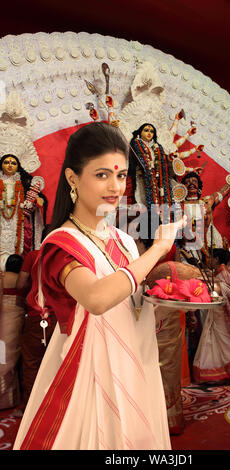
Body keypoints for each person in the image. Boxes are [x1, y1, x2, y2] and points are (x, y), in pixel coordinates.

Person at [13, 121, 186, 450]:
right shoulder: (61, 243)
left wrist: (167, 292)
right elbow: (96, 298)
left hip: (134, 361)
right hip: (89, 373)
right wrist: (160, 248)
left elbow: (131, 299)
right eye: (102, 174)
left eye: (120, 176)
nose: (115, 187)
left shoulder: (124, 241)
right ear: (73, 178)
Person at [13, 249, 57, 417]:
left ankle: (31, 407)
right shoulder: (63, 254)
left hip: (36, 315)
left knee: (31, 362)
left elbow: (20, 283)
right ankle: (53, 406)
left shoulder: (33, 256)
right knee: (56, 362)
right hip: (59, 317)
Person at [193, 248, 230, 385]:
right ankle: (216, 373)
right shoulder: (218, 272)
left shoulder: (223, 273)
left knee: (224, 341)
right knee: (212, 340)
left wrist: (213, 286)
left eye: (210, 257)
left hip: (222, 313)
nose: (207, 260)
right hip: (216, 312)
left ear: (216, 259)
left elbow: (229, 291)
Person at [0, 154, 47, 269]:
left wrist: (37, 201)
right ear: (1, 165)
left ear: (18, 166)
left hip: (18, 223)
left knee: (17, 249)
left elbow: (37, 201)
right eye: (6, 162)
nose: (10, 165)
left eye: (13, 163)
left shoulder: (23, 183)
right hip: (1, 221)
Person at [0, 254, 25, 410]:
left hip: (3, 315)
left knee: (3, 354)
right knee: (9, 356)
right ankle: (7, 398)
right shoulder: (20, 280)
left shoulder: (2, 277)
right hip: (14, 316)